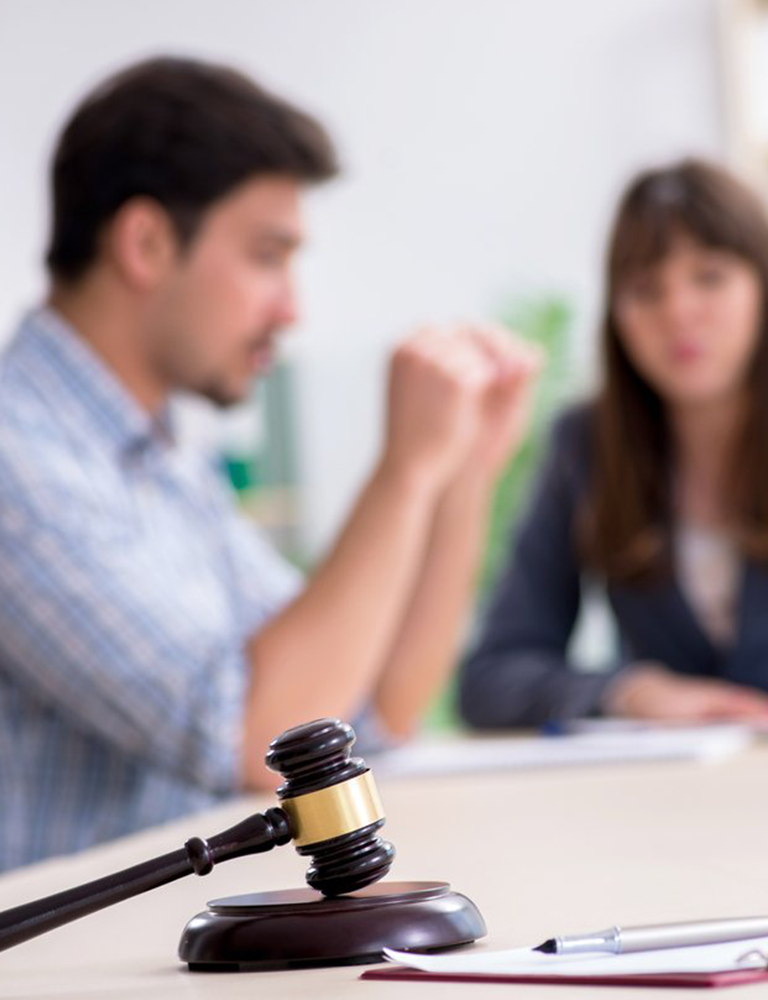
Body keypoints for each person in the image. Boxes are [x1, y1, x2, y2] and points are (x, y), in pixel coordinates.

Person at [0, 56, 539, 870]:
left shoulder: (161, 461)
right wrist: (401, 470)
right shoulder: (19, 459)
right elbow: (263, 744)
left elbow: (368, 708)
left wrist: (459, 474)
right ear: (144, 243)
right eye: (266, 255)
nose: (292, 308)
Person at [459, 158, 768, 730]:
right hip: (665, 798)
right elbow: (490, 679)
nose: (677, 313)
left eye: (710, 277)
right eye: (646, 289)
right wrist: (631, 690)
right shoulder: (586, 447)